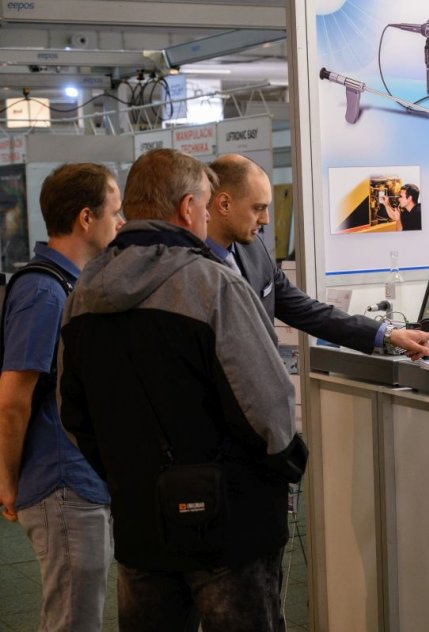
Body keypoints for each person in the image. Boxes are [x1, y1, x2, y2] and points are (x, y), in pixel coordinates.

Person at [58, 148, 302, 631]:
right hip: (232, 523)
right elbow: (268, 405)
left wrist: (125, 473)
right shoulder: (215, 286)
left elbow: (72, 411)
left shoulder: (83, 294)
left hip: (140, 517)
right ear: (188, 208)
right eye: (206, 206)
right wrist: (286, 463)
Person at [0, 163, 122, 631]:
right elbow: (13, 399)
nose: (121, 222)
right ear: (86, 218)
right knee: (73, 621)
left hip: (81, 481)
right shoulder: (44, 291)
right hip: (61, 485)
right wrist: (7, 481)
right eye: (115, 212)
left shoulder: (70, 284)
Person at [206, 154, 429, 358]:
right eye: (257, 208)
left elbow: (306, 310)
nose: (266, 219)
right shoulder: (192, 270)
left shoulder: (253, 249)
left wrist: (389, 335)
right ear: (224, 204)